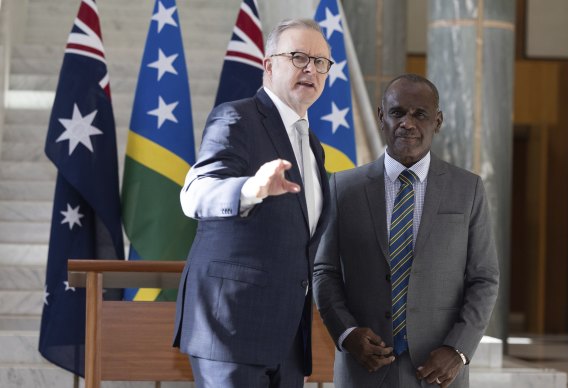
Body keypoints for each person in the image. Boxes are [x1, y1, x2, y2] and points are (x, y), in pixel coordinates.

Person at [173, 19, 332, 388]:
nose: (311, 68)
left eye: (321, 62)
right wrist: (250, 189)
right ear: (269, 65)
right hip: (231, 330)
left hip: (289, 340)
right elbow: (196, 192)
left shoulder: (313, 145)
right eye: (298, 57)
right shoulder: (236, 118)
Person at [313, 74, 499, 388]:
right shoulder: (342, 188)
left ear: (437, 121)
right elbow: (324, 270)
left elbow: (484, 278)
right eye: (398, 113)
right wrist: (347, 333)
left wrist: (458, 348)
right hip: (363, 368)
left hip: (439, 371)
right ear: (381, 117)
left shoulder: (468, 189)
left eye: (420, 114)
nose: (408, 123)